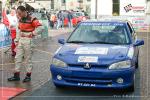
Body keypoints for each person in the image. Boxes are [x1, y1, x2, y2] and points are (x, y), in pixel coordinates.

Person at [8, 6, 44, 82]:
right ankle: (16, 75)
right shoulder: (20, 19)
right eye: (17, 13)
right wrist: (17, 40)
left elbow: (41, 28)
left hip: (28, 40)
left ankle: (28, 76)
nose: (18, 14)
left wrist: (32, 33)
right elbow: (18, 30)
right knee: (17, 58)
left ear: (25, 11)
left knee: (28, 59)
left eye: (19, 13)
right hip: (21, 40)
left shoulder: (32, 19)